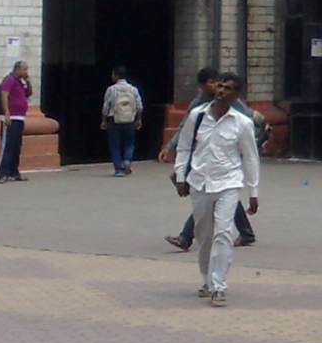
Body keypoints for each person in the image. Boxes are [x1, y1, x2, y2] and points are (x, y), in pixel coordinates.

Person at [172, 72, 260, 308]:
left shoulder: (242, 123)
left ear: (236, 95)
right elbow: (184, 147)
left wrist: (253, 192)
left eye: (228, 88)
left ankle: (218, 286)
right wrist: (181, 176)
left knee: (223, 234)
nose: (221, 91)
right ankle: (207, 279)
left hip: (228, 183)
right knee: (204, 235)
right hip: (200, 182)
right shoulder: (197, 116)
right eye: (220, 86)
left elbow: (250, 158)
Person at [163, 69, 260, 250]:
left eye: (221, 84)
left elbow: (247, 130)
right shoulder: (198, 107)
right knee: (216, 195)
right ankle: (246, 232)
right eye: (215, 84)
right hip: (202, 161)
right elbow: (184, 130)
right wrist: (171, 148)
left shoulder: (234, 106)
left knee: (220, 195)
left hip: (227, 162)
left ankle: (186, 237)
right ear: (201, 86)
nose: (218, 89)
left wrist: (253, 191)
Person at [102, 66, 144, 177]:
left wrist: (104, 120)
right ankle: (127, 160)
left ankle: (118, 170)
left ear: (116, 76)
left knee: (115, 145)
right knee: (129, 143)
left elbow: (106, 106)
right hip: (129, 119)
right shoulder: (133, 89)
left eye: (113, 74)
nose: (111, 76)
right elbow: (139, 106)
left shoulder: (111, 89)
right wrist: (139, 119)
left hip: (114, 120)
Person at [0, 60, 31, 183]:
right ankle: (2, 173)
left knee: (16, 146)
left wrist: (28, 82)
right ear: (17, 69)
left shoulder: (21, 81)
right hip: (10, 118)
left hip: (20, 117)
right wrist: (7, 114)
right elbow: (4, 95)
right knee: (7, 146)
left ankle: (13, 172)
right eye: (24, 69)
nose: (26, 72)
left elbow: (28, 94)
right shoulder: (9, 79)